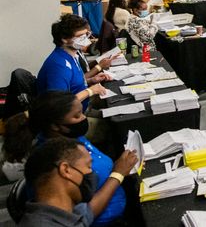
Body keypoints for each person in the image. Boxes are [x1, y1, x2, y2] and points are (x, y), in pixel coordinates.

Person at [10, 92, 139, 226]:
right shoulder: (50, 160)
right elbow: (86, 213)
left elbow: (83, 214)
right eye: (77, 116)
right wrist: (117, 174)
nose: (84, 118)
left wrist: (118, 170)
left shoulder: (71, 141)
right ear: (65, 169)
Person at [38, 15, 109, 111]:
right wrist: (90, 91)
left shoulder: (72, 55)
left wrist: (91, 80)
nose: (85, 39)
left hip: (82, 107)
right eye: (81, 36)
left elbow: (72, 84)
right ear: (64, 39)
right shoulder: (58, 65)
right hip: (71, 118)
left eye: (86, 35)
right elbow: (59, 104)